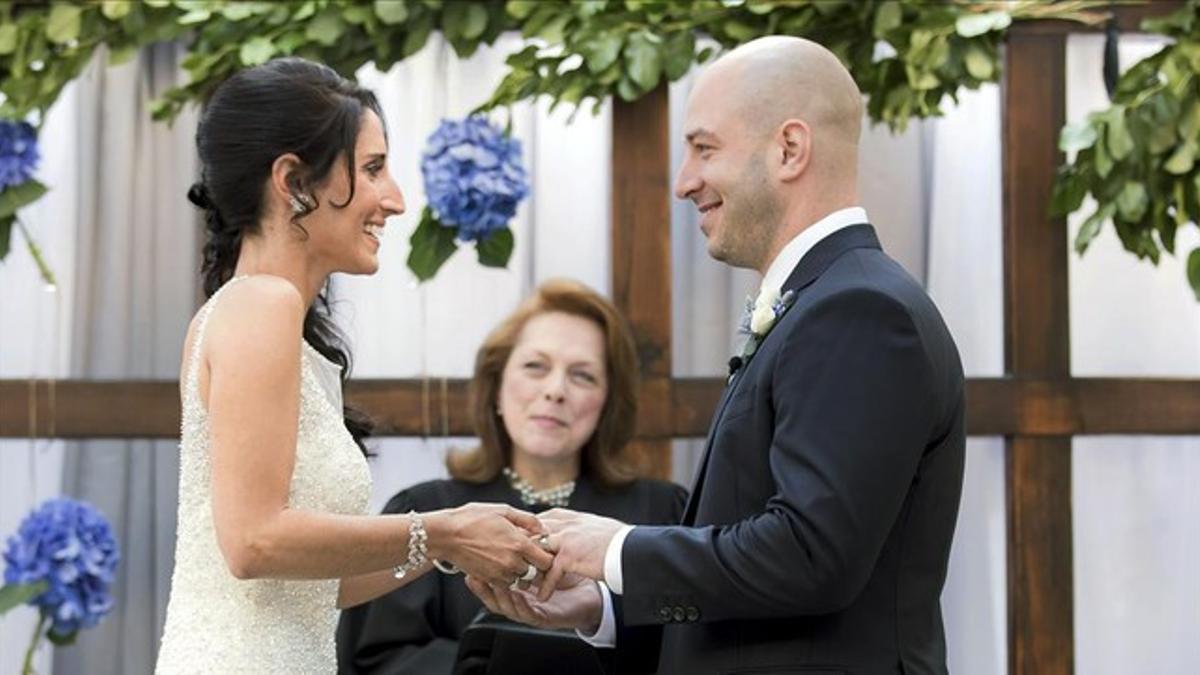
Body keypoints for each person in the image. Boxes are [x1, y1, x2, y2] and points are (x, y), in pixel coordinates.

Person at [468, 36, 967, 675]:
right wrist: (602, 608)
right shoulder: (823, 302)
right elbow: (769, 587)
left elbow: (812, 556)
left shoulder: (862, 312)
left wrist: (616, 549)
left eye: (704, 148)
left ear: (789, 149)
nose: (684, 182)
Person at [155, 58, 553, 674]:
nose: (393, 199)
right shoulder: (262, 305)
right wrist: (444, 528)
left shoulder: (267, 321)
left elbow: (319, 587)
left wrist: (454, 549)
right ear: (293, 181)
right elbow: (253, 541)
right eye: (372, 169)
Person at [336, 279, 687, 674]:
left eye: (583, 376)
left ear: (608, 403)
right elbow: (374, 660)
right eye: (535, 367)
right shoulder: (426, 510)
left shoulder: (663, 512)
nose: (555, 390)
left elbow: (690, 649)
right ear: (497, 388)